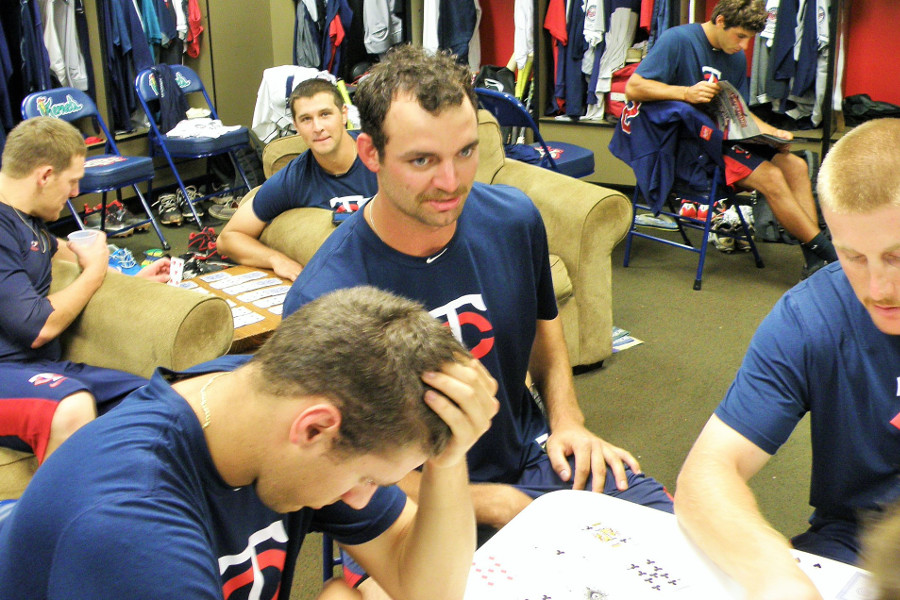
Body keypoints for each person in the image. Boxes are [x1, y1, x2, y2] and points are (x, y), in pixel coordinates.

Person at [283, 44, 673, 594]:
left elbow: (544, 329)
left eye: (465, 152)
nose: (451, 181)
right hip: (409, 508)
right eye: (422, 160)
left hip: (532, 461)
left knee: (671, 549)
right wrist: (485, 501)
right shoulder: (325, 297)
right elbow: (349, 475)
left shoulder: (513, 220)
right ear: (370, 153)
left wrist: (567, 419)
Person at [0, 285, 499, 599]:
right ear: (313, 428)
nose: (364, 497)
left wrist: (447, 460)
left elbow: (426, 590)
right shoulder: (133, 536)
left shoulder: (275, 393)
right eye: (368, 478)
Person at [674, 118, 900, 600]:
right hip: (859, 550)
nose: (878, 289)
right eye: (853, 257)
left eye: (897, 257)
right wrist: (777, 578)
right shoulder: (811, 315)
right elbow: (707, 475)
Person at [624, 0, 837, 278]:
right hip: (684, 149)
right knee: (771, 176)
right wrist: (685, 93)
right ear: (721, 21)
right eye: (741, 37)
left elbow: (740, 112)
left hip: (720, 140)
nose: (744, 47)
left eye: (750, 40)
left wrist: (772, 133)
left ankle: (815, 260)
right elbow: (633, 87)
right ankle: (831, 256)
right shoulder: (677, 40)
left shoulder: (734, 55)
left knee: (796, 166)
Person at [0, 117, 171, 464]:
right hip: (9, 372)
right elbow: (37, 326)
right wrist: (93, 273)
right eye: (72, 182)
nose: (76, 194)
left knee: (161, 400)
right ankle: (61, 517)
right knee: (71, 406)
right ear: (45, 176)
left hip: (39, 370)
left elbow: (67, 252)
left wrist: (131, 282)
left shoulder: (25, 219)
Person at [217, 78, 378, 281]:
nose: (317, 127)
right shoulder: (293, 178)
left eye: (325, 114)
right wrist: (277, 260)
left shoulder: (382, 154)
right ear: (296, 126)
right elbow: (228, 238)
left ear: (344, 114)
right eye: (306, 119)